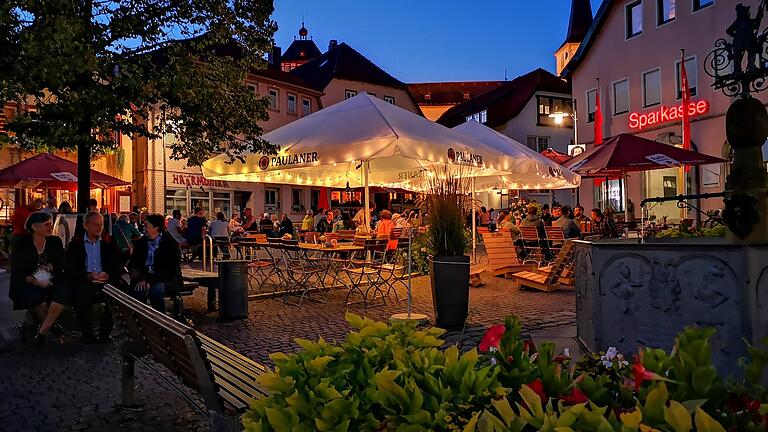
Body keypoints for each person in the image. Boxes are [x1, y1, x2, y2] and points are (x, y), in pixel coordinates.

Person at [10, 212, 69, 346]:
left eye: (50, 224)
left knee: (62, 293)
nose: (50, 227)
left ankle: (42, 333)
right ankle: (53, 327)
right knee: (35, 297)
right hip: (28, 280)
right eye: (46, 224)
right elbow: (18, 270)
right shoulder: (22, 244)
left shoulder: (55, 241)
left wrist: (50, 266)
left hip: (52, 278)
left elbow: (61, 261)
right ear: (35, 227)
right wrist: (34, 280)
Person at [66, 211, 123, 344]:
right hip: (85, 279)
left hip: (105, 279)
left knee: (117, 294)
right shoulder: (76, 243)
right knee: (81, 295)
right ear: (86, 225)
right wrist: (87, 275)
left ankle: (105, 332)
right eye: (95, 225)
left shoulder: (109, 242)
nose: (99, 228)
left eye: (101, 225)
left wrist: (107, 273)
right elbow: (70, 267)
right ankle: (88, 334)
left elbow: (118, 264)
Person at [128, 214, 182, 313]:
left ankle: (160, 322)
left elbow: (170, 268)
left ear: (156, 227)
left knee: (156, 291)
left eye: (147, 226)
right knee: (138, 291)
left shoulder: (169, 243)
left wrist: (150, 281)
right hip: (145, 277)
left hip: (166, 279)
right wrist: (141, 278)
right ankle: (141, 320)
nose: (144, 228)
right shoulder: (141, 243)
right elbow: (134, 263)